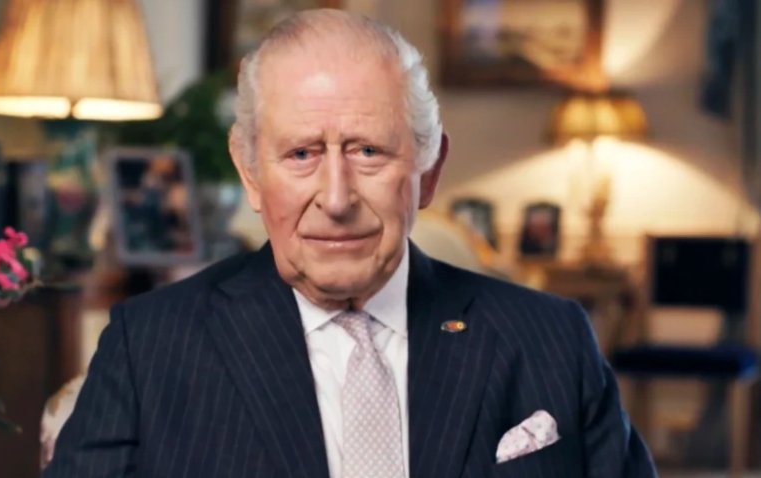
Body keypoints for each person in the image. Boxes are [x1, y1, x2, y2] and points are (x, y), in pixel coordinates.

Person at [45, 9, 655, 477]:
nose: (336, 199)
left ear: (429, 169)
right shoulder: (149, 346)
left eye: (368, 151)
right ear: (250, 172)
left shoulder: (551, 338)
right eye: (301, 154)